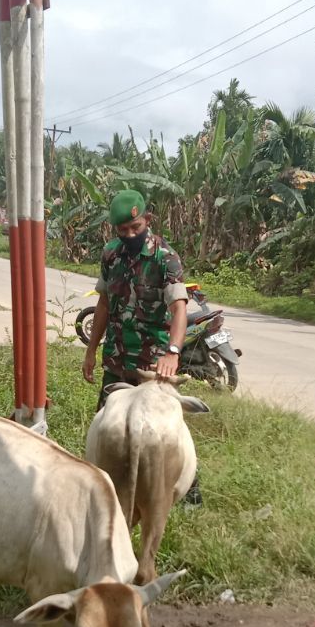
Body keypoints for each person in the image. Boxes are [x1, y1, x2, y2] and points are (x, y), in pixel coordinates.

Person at [82, 189, 200, 503]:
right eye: (124, 230)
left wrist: (172, 353)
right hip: (118, 358)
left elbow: (179, 308)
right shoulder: (110, 255)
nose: (131, 234)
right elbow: (104, 304)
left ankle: (188, 487)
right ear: (115, 230)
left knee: (166, 430)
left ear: (147, 219)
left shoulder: (166, 257)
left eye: (136, 227)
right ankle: (104, 488)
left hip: (154, 364)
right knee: (107, 429)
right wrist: (91, 351)